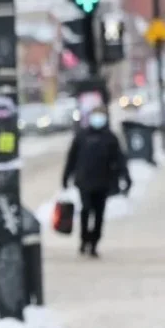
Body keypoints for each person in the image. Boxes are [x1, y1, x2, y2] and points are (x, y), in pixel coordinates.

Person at [61, 105, 131, 257]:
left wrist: (125, 177)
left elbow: (120, 159)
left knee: (99, 214)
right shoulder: (82, 136)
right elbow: (71, 158)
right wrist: (66, 177)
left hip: (103, 182)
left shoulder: (110, 137)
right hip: (84, 181)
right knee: (86, 210)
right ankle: (84, 239)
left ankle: (94, 243)